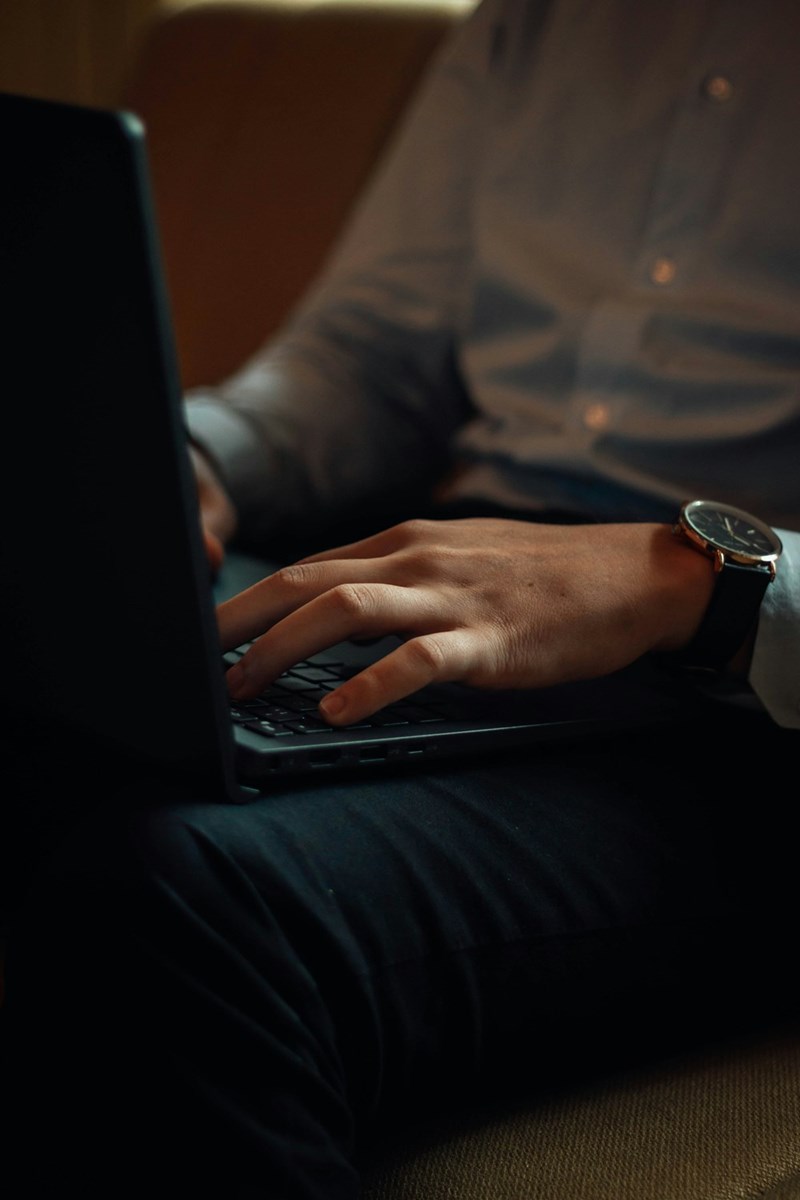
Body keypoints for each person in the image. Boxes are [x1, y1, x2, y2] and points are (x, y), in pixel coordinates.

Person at [2, 0, 799, 1196]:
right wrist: (190, 455)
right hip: (466, 567)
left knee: (187, 892)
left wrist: (689, 576)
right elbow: (370, 362)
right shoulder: (535, 25)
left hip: (753, 688)